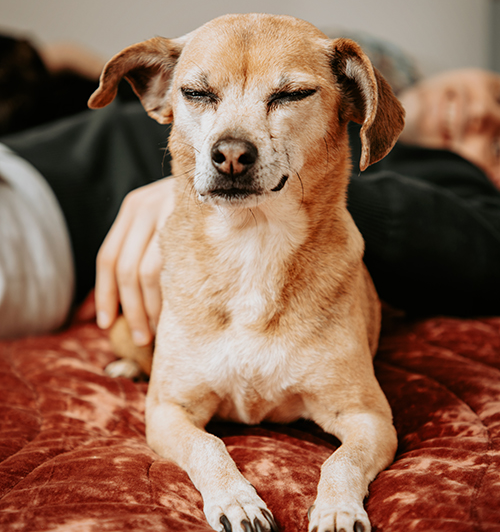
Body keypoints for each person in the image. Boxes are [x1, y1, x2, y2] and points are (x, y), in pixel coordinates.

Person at [1, 36, 499, 341]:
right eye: (498, 92)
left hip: (39, 222)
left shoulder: (450, 177)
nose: (483, 114)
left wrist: (302, 192)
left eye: (497, 140)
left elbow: (487, 248)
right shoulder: (286, 51)